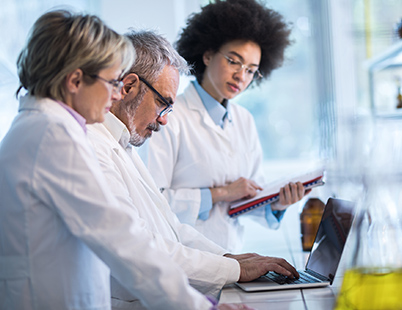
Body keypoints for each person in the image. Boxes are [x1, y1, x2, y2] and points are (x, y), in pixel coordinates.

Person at [0, 10, 251, 310]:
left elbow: (156, 230)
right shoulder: (53, 135)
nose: (116, 94)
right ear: (75, 80)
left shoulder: (42, 128)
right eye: (111, 82)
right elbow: (121, 239)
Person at [87, 29, 299, 308]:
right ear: (127, 87)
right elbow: (138, 245)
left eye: (251, 70)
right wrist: (231, 266)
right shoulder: (99, 143)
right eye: (162, 103)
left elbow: (170, 228)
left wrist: (230, 260)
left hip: (200, 268)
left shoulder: (124, 142)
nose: (163, 120)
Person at [147, 0, 308, 252]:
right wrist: (220, 193)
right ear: (208, 55)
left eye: (251, 70)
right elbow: (152, 201)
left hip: (232, 261)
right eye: (234, 61)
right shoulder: (169, 115)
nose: (241, 76)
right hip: (184, 264)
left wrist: (277, 203)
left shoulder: (244, 120)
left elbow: (246, 199)